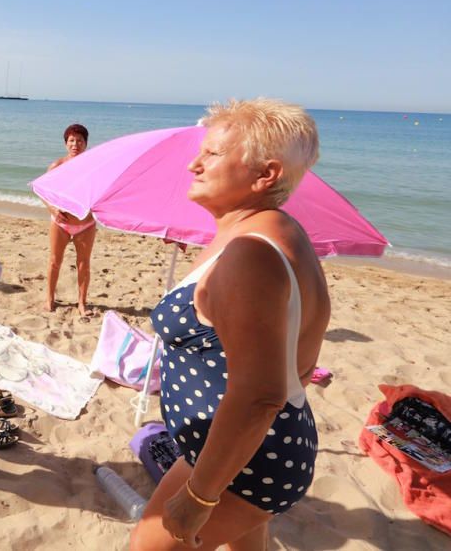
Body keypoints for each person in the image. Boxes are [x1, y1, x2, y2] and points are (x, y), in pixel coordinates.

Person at [130, 98, 330, 550]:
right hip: (244, 448)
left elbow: (260, 396)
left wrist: (201, 495)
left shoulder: (249, 255)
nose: (194, 164)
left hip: (244, 459)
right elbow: (299, 365)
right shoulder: (279, 233)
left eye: (214, 154)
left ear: (266, 175)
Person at [44, 123, 96, 316]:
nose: (76, 144)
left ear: (86, 144)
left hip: (86, 224)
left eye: (80, 141)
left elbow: (101, 192)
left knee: (84, 263)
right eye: (72, 140)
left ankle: (82, 303)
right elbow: (42, 190)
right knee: (54, 261)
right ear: (66, 143)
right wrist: (52, 208)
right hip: (61, 223)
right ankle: (49, 299)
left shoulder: (93, 168)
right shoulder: (57, 166)